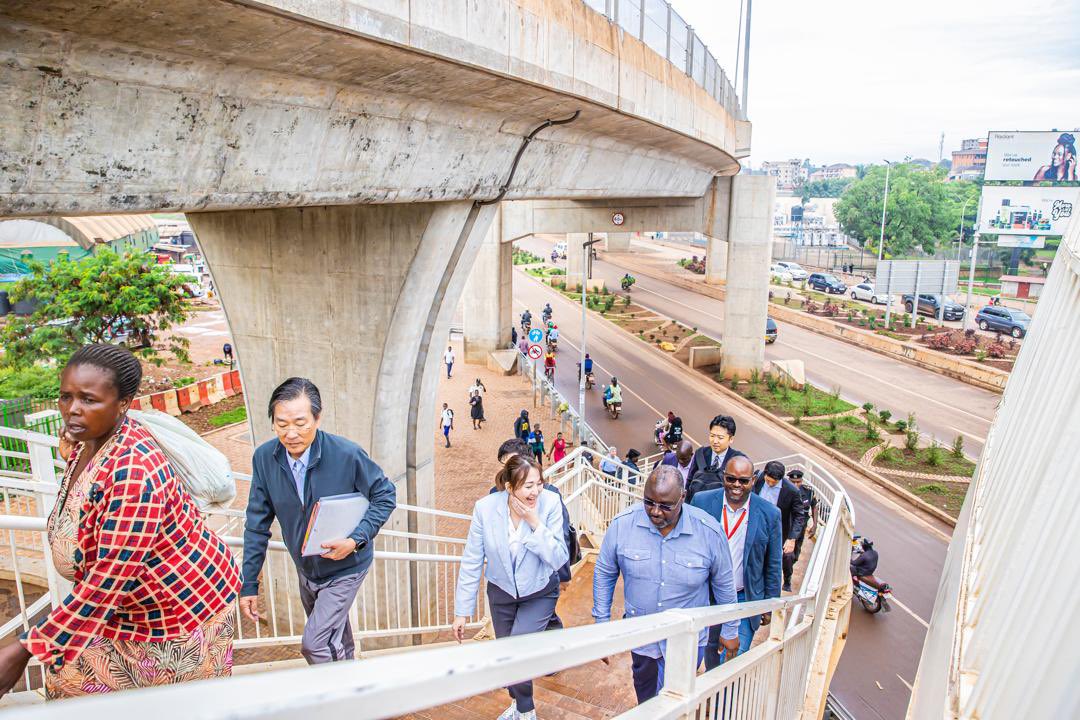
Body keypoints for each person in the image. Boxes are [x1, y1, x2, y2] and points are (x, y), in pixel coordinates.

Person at [0, 344, 241, 700]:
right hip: (124, 611)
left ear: (124, 403)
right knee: (70, 685)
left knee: (167, 706)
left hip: (175, 616)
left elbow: (109, 579)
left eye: (89, 399)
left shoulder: (135, 473)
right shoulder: (90, 440)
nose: (72, 410)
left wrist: (23, 650)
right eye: (65, 397)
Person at [241, 378, 397, 665]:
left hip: (347, 567)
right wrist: (248, 584)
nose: (291, 433)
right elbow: (256, 525)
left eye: (301, 423)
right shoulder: (264, 458)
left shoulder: (346, 454)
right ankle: (354, 687)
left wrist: (355, 540)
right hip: (306, 569)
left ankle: (339, 704)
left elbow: (385, 495)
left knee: (315, 644)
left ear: (317, 418)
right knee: (334, 636)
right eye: (282, 423)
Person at [593, 466, 739, 705]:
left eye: (665, 506)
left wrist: (730, 630)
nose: (655, 512)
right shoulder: (622, 525)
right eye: (649, 502)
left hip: (687, 641)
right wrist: (601, 625)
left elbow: (724, 584)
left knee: (672, 702)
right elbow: (604, 572)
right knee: (645, 695)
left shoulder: (708, 531)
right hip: (641, 639)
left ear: (682, 497)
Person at [454, 454, 568, 720]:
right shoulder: (485, 508)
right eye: (528, 486)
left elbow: (558, 557)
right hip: (501, 593)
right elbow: (472, 558)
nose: (535, 491)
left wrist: (534, 522)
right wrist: (462, 611)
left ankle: (527, 712)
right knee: (507, 656)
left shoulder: (549, 503)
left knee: (517, 649)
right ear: (509, 486)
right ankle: (518, 706)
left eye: (538, 483)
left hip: (540, 592)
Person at [690, 455, 783, 668]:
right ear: (724, 477)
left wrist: (769, 605)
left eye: (743, 480)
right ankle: (714, 696)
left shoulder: (770, 514)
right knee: (711, 650)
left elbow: (773, 565)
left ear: (754, 480)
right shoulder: (702, 502)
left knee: (731, 661)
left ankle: (722, 700)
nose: (736, 486)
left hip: (744, 596)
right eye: (731, 479)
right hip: (706, 594)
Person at [753, 461, 809, 592]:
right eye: (769, 481)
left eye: (774, 482)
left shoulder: (792, 491)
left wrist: (792, 538)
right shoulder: (759, 478)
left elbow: (799, 515)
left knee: (785, 557)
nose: (771, 484)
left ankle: (786, 579)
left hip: (778, 528)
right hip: (757, 523)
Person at [685, 415, 746, 504]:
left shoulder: (738, 460)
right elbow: (689, 482)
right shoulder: (700, 454)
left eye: (720, 438)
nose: (715, 441)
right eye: (712, 436)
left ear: (731, 439)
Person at [787, 469, 817, 562]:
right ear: (788, 481)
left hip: (800, 527)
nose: (795, 485)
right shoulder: (784, 491)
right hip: (786, 524)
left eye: (798, 482)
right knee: (786, 554)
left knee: (795, 554)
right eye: (793, 482)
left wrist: (815, 525)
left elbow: (814, 506)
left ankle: (789, 569)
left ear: (802, 481)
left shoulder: (809, 493)